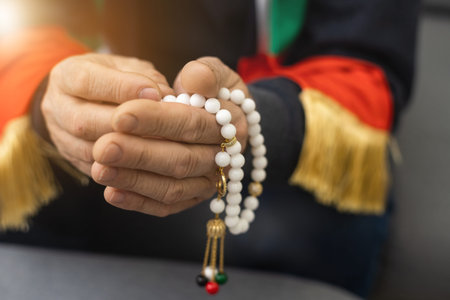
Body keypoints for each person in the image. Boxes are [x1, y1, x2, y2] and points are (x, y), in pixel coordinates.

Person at [0, 0, 419, 297]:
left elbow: (364, 63)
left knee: (287, 238)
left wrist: (258, 123)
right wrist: (48, 98)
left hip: (281, 174)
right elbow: (19, 26)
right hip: (80, 174)